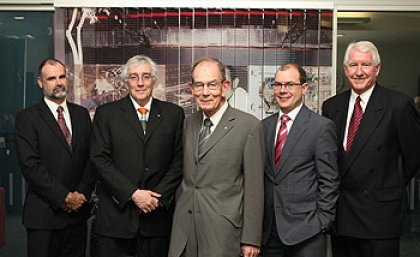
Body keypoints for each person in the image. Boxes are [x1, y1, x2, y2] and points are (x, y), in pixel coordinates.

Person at [322, 40, 420, 257]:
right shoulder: (331, 106)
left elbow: (413, 157)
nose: (359, 71)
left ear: (377, 69)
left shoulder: (399, 105)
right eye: (353, 65)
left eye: (365, 65)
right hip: (342, 215)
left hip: (380, 215)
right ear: (345, 69)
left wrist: (387, 185)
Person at [168, 57, 265, 257]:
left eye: (212, 85)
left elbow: (254, 188)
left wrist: (251, 239)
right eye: (199, 85)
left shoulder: (249, 126)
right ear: (191, 88)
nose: (205, 92)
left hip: (223, 232)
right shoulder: (187, 124)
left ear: (225, 86)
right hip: (184, 230)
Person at [90, 54, 184, 257]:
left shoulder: (174, 114)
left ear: (154, 80)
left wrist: (155, 199)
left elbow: (179, 161)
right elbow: (100, 160)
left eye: (146, 76)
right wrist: (133, 194)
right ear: (126, 81)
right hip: (116, 221)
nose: (140, 83)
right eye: (133, 77)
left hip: (156, 219)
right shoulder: (106, 114)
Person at [15, 58, 94, 257]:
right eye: (51, 78)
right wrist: (64, 197)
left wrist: (81, 195)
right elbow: (30, 166)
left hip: (78, 215)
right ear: (41, 83)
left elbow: (91, 159)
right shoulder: (27, 118)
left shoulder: (82, 114)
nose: (58, 82)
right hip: (44, 217)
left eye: (62, 77)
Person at [260, 64, 339, 257]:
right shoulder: (264, 127)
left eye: (289, 84)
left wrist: (322, 222)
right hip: (269, 233)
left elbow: (329, 180)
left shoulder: (321, 127)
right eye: (277, 84)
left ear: (304, 88)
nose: (282, 90)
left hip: (307, 233)